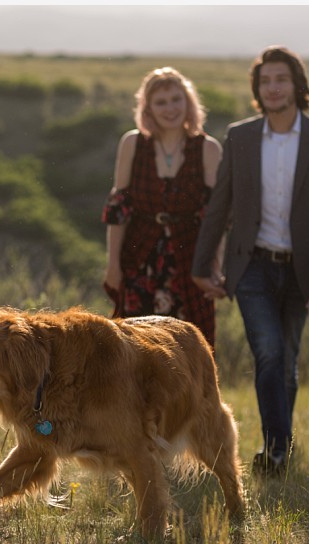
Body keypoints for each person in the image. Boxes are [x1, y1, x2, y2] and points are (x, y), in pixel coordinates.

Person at [191, 46, 309, 476]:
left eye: (281, 79)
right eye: (265, 81)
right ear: (257, 89)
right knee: (268, 352)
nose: (273, 87)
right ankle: (277, 450)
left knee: (286, 360)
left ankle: (279, 445)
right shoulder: (240, 137)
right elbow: (219, 204)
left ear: (297, 85)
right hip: (252, 267)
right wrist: (201, 265)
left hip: (305, 271)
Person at [101, 67, 222, 348]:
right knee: (134, 348)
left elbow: (215, 217)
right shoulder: (133, 143)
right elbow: (119, 210)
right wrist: (113, 266)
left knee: (191, 349)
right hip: (139, 257)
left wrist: (214, 265)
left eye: (176, 99)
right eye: (161, 102)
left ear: (188, 102)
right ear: (148, 109)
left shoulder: (208, 149)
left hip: (190, 259)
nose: (170, 108)